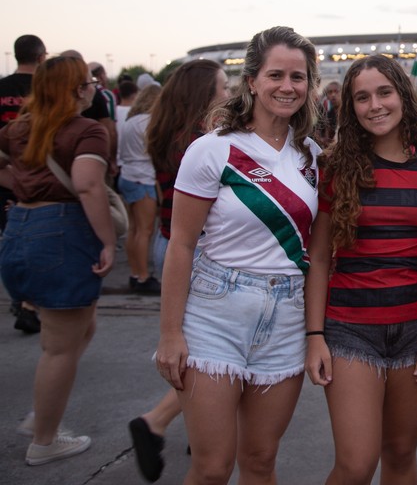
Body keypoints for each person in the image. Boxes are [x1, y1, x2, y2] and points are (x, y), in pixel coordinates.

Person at [155, 26, 321, 484]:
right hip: (214, 315)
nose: (287, 87)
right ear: (251, 81)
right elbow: (181, 244)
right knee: (211, 468)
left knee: (261, 460)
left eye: (298, 77)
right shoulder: (211, 150)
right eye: (275, 75)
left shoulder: (312, 156)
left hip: (286, 317)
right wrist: (170, 334)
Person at [304, 54, 417, 485]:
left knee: (400, 453)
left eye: (384, 92)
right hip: (350, 329)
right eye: (362, 97)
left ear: (403, 96)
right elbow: (318, 258)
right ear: (351, 107)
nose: (375, 104)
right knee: (356, 464)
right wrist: (314, 335)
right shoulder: (334, 167)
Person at [0, 55, 115, 465]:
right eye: (87, 83)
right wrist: (107, 241)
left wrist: (21, 184)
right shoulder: (86, 131)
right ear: (78, 90)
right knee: (60, 346)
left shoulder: (18, 129)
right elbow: (87, 186)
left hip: (21, 228)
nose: (92, 88)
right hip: (63, 231)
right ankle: (44, 440)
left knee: (78, 327)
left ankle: (41, 415)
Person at [129, 58, 230, 483]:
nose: (229, 94)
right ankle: (156, 420)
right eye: (223, 87)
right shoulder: (202, 142)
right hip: (197, 252)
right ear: (204, 94)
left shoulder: (163, 133)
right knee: (218, 356)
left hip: (169, 242)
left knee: (206, 354)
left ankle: (191, 428)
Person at [0, 34, 46, 334]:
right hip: (41, 178)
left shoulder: (2, 87)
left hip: (6, 174)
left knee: (11, 237)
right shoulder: (44, 91)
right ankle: (30, 302)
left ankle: (21, 296)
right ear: (41, 56)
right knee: (39, 241)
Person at [117, 84, 162, 294]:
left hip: (127, 176)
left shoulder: (130, 121)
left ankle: (135, 272)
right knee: (145, 230)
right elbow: (154, 151)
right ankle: (143, 276)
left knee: (133, 230)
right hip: (144, 178)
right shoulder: (148, 122)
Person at [314, 79, 340, 146]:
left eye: (336, 91)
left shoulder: (348, 113)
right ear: (327, 96)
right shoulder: (326, 113)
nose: (333, 95)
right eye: (330, 92)